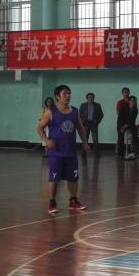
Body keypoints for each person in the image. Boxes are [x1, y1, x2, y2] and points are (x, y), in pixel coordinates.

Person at [36, 84, 91, 215]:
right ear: (57, 96)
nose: (68, 96)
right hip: (56, 153)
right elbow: (39, 128)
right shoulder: (51, 112)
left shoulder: (75, 111)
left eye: (69, 93)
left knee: (74, 178)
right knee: (54, 178)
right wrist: (46, 140)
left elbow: (80, 128)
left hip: (71, 152)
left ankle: (73, 201)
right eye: (65, 93)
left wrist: (85, 143)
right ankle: (52, 202)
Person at [122, 95, 139, 160]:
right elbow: (122, 117)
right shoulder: (124, 107)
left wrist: (132, 109)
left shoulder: (135, 109)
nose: (133, 102)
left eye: (134, 101)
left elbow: (132, 119)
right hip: (122, 124)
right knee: (121, 135)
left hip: (130, 125)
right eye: (132, 101)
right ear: (129, 101)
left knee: (135, 131)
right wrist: (123, 126)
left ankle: (134, 152)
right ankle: (121, 153)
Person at [116, 88, 131, 157]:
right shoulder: (120, 102)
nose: (126, 93)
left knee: (132, 136)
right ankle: (120, 153)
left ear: (129, 93)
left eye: (127, 92)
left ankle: (132, 152)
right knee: (120, 137)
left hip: (130, 121)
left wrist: (128, 122)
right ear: (122, 93)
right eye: (124, 92)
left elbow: (134, 111)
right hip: (121, 122)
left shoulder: (132, 101)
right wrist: (123, 124)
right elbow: (118, 112)